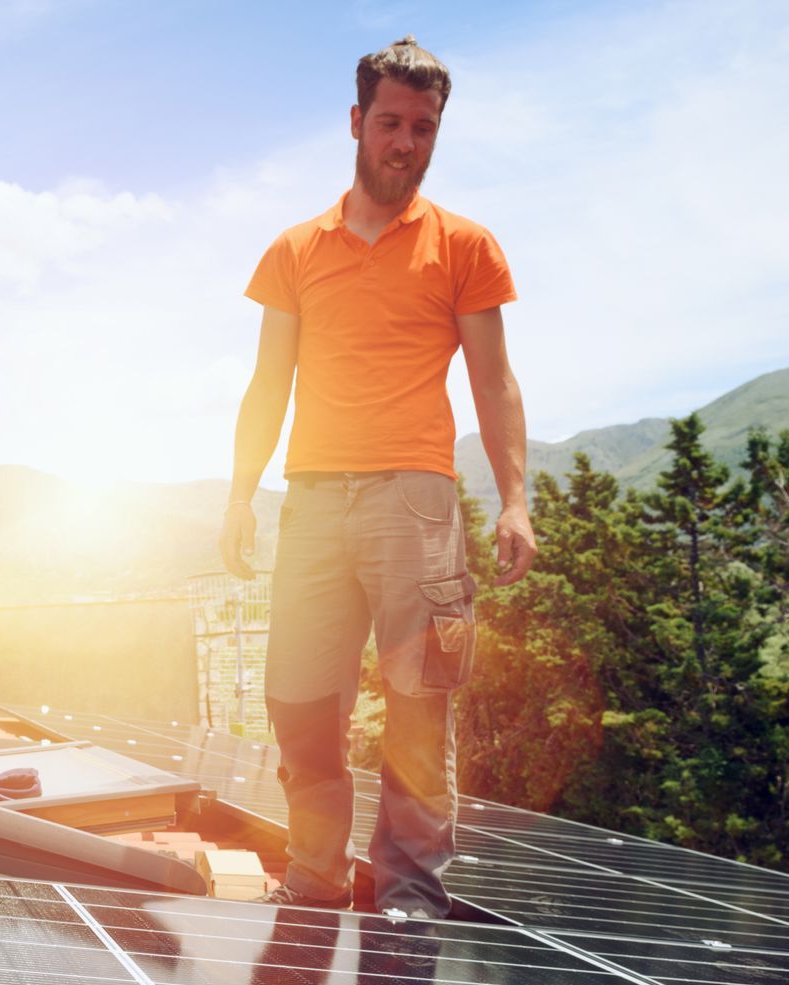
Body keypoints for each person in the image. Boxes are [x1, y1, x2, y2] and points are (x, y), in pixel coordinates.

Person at [218, 37, 537, 919]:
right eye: (390, 123)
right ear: (357, 123)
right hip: (313, 499)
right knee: (299, 705)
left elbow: (493, 380)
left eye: (423, 128)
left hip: (417, 502)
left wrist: (515, 498)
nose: (405, 142)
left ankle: (409, 895)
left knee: (418, 708)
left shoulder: (465, 246)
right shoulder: (294, 250)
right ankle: (315, 880)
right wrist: (242, 494)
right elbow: (265, 384)